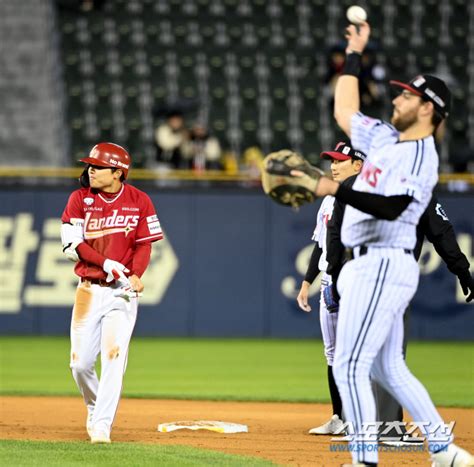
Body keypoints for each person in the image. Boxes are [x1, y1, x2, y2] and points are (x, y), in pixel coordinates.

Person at [297, 19, 473, 467]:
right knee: (387, 367)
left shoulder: (422, 157)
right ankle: (445, 450)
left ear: (429, 109)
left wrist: (333, 189)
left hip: (382, 262)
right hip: (363, 264)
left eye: (408, 95)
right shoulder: (385, 139)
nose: (397, 98)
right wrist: (353, 55)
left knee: (349, 365)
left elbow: (394, 209)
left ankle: (363, 459)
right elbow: (344, 112)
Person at [326, 173, 473, 446]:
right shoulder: (413, 183)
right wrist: (462, 271)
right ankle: (389, 431)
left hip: (353, 277)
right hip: (390, 278)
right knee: (391, 361)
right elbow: (440, 231)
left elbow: (334, 232)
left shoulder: (349, 185)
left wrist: (333, 277)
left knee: (355, 358)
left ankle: (358, 427)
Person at [61, 142, 163, 444]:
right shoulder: (79, 199)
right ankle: (95, 407)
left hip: (121, 293)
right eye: (89, 165)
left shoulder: (139, 200)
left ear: (118, 172)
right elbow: (72, 247)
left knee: (114, 358)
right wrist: (106, 262)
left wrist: (135, 274)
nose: (90, 170)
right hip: (89, 289)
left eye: (98, 166)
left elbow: (144, 243)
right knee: (79, 364)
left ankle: (102, 425)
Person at [296, 142, 365, 435]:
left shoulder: (366, 199)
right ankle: (339, 417)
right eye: (332, 161)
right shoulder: (328, 199)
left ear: (358, 165)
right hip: (329, 281)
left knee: (359, 352)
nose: (334, 166)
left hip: (355, 281)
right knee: (333, 353)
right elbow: (321, 245)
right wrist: (306, 282)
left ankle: (364, 418)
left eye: (341, 161)